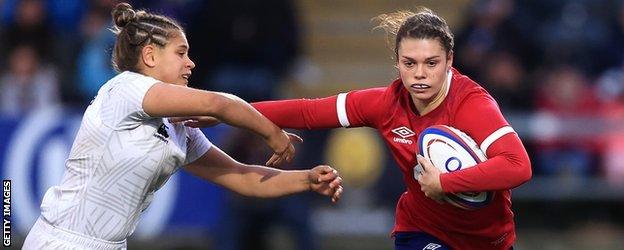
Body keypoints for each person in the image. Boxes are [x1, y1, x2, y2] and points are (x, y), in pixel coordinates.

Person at [175, 7, 532, 249]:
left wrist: (445, 183)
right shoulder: (385, 103)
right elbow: (309, 111)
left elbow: (518, 166)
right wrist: (226, 111)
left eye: (431, 63)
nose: (419, 74)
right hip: (422, 230)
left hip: (489, 239)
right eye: (409, 63)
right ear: (397, 62)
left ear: (450, 61)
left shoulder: (473, 105)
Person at [21, 3, 343, 249]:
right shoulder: (126, 89)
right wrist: (272, 133)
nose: (191, 63)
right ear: (149, 56)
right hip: (63, 240)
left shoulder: (177, 127)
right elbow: (219, 104)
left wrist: (307, 179)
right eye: (181, 53)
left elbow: (243, 178)